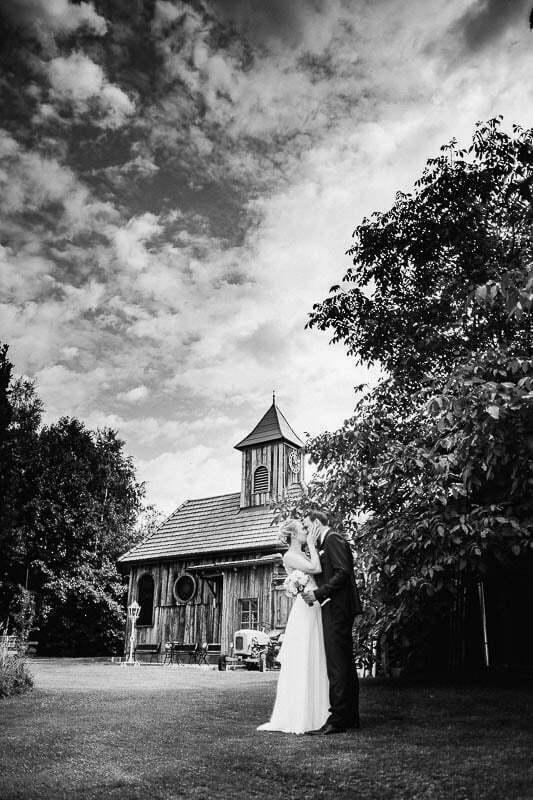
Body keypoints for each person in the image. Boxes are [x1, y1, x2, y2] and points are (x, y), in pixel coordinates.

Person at [256, 519, 330, 734]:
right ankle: (301, 715)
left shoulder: (303, 553)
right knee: (304, 656)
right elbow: (315, 568)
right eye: (302, 530)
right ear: (291, 535)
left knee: (316, 656)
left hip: (314, 605)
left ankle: (320, 712)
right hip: (305, 610)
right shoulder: (290, 555)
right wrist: (314, 546)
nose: (306, 532)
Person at [301, 509, 362, 735]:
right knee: (344, 663)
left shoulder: (333, 539)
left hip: (337, 609)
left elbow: (343, 572)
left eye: (307, 526)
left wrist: (319, 594)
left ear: (317, 523)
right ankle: (350, 717)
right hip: (336, 608)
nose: (306, 531)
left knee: (337, 665)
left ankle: (337, 719)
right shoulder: (326, 543)